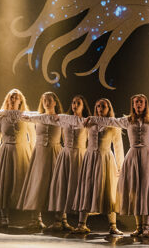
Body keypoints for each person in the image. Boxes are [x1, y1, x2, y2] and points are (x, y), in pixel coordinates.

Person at [62, 94, 149, 237]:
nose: (138, 104)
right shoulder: (127, 120)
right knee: (135, 191)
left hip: (147, 157)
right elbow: (110, 121)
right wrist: (93, 118)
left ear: (145, 104)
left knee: (146, 190)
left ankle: (145, 227)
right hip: (133, 156)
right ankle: (138, 227)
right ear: (133, 105)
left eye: (141, 102)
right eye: (136, 102)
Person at [66, 98, 124, 235]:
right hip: (90, 158)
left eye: (103, 106)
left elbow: (118, 146)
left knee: (108, 190)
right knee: (87, 188)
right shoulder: (90, 122)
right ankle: (81, 224)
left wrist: (121, 166)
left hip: (105, 159)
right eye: (98, 106)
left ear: (108, 108)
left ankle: (113, 226)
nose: (100, 108)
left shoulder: (113, 124)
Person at [37, 94, 91, 231]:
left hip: (80, 155)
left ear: (83, 106)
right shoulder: (64, 119)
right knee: (62, 186)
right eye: (73, 102)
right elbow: (41, 116)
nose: (74, 105)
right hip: (66, 155)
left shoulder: (87, 122)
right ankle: (59, 221)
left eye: (78, 103)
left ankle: (82, 224)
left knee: (81, 188)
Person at [0, 89, 35, 227]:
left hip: (23, 151)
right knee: (4, 183)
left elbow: (33, 138)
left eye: (16, 97)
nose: (13, 99)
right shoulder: (0, 116)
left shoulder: (25, 116)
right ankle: (4, 218)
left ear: (21, 100)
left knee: (28, 183)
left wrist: (34, 156)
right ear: (7, 99)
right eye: (11, 97)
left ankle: (35, 218)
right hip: (6, 152)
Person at [17, 91, 63, 229]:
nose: (47, 103)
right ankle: (36, 219)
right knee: (37, 184)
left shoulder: (60, 118)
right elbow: (21, 114)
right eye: (44, 100)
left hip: (55, 152)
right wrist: (2, 112)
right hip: (40, 153)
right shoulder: (38, 117)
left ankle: (59, 220)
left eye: (49, 100)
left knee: (57, 185)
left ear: (55, 102)